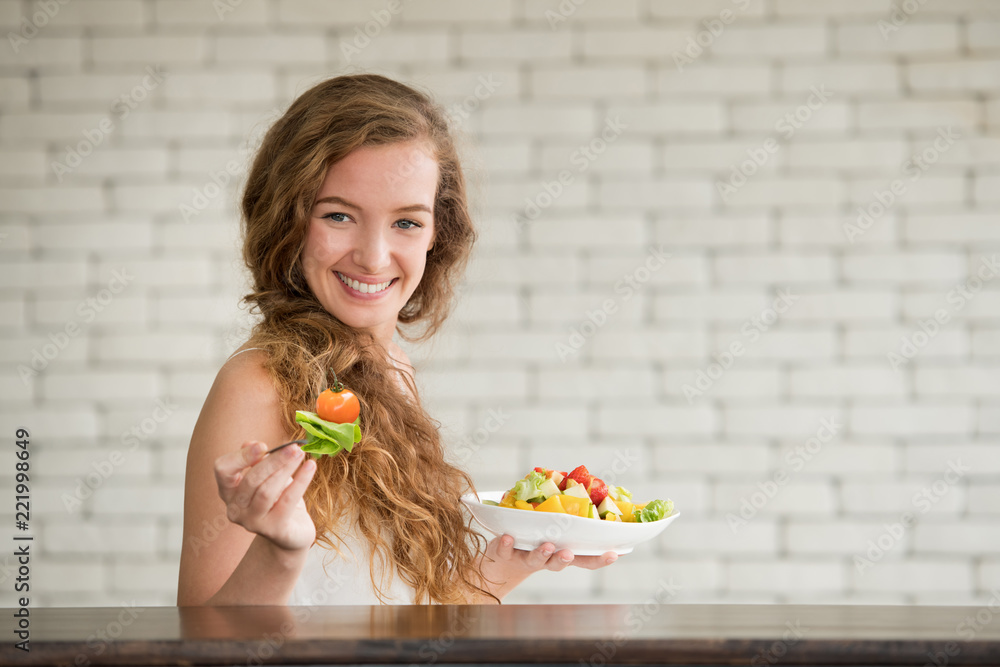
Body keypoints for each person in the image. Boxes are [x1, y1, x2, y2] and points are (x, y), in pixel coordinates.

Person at [176, 73, 619, 607]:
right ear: (288, 221)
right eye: (338, 215)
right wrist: (280, 553)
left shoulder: (393, 369)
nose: (373, 256)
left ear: (438, 234)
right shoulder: (257, 384)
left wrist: (514, 560)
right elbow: (205, 637)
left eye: (406, 223)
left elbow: (406, 619)